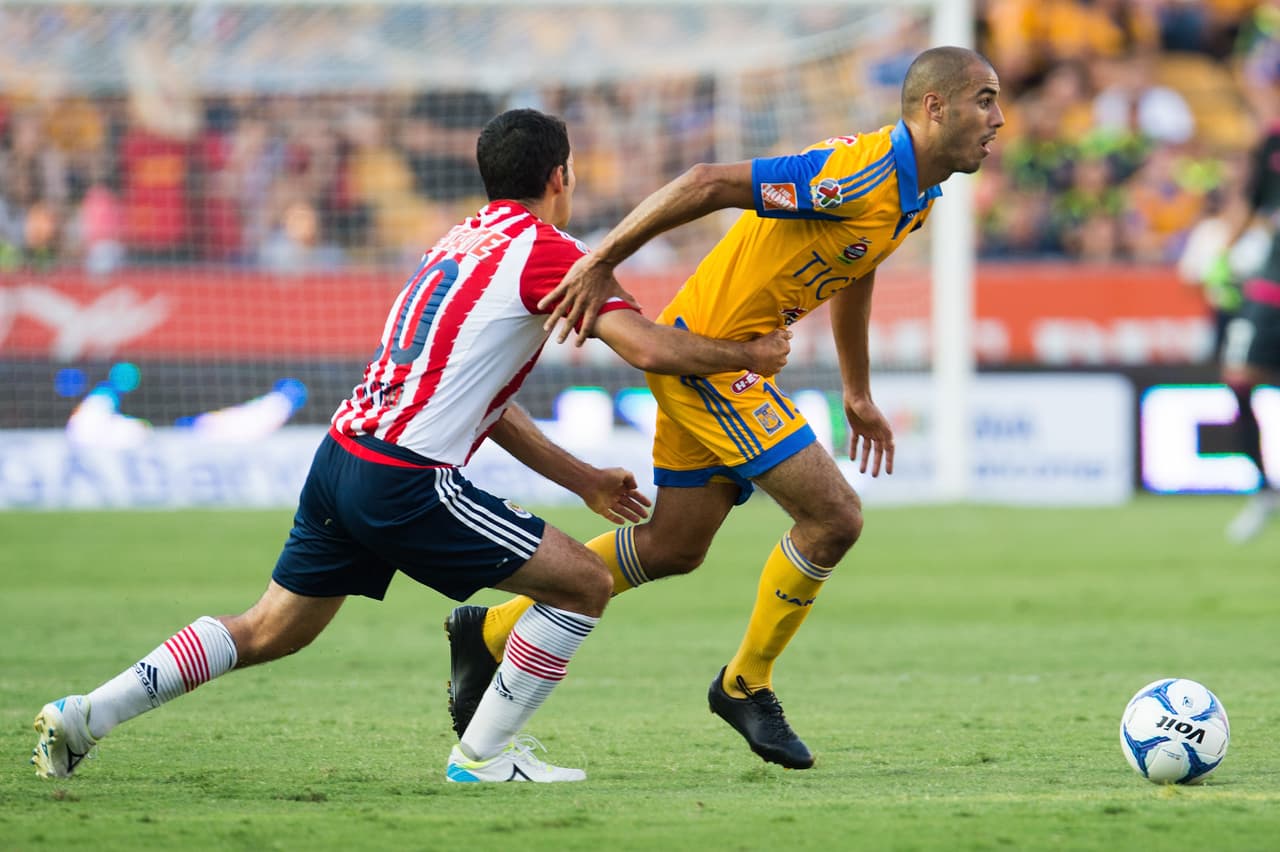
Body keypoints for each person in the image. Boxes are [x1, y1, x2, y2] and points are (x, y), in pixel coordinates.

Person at [29, 108, 791, 785]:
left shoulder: (457, 241)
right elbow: (650, 350)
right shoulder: (552, 253)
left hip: (342, 458)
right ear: (562, 176)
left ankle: (84, 716)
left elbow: (480, 403)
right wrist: (749, 358)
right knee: (584, 584)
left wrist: (585, 477)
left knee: (269, 628)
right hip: (404, 478)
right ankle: (487, 755)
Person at [443, 46, 1004, 770]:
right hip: (710, 361)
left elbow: (857, 268)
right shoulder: (855, 172)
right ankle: (746, 684)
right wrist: (602, 260)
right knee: (835, 517)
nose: (998, 118)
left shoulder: (915, 195)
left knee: (673, 547)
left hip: (722, 364)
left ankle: (486, 633)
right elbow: (708, 182)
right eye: (984, 100)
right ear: (934, 107)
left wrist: (856, 391)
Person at [1216, 120, 1280, 543]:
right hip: (1272, 285)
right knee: (1239, 380)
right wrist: (1222, 253)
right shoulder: (1272, 141)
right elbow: (1253, 202)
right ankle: (1263, 491)